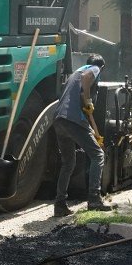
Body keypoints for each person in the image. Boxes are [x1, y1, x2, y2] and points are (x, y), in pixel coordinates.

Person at [53, 53, 115, 216]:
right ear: (101, 67)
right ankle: (94, 199)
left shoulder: (74, 74)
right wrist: (88, 99)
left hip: (60, 120)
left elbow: (80, 103)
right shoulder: (92, 69)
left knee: (68, 163)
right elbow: (88, 79)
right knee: (98, 156)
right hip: (73, 120)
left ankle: (60, 205)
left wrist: (95, 131)